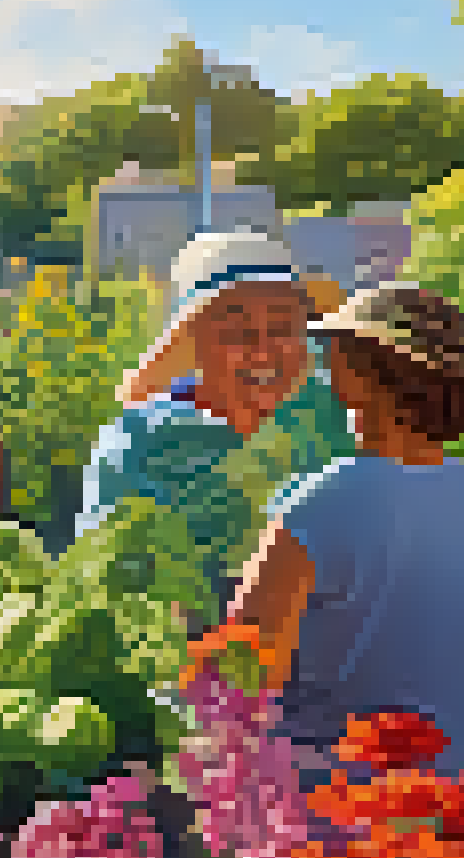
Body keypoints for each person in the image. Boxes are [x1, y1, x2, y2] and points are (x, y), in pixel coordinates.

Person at [230, 283, 464, 782]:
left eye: (335, 352)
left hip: (338, 808)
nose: (324, 365)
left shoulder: (322, 503)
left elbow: (241, 681)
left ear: (364, 376)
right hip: (453, 806)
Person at [83, 232, 358, 618]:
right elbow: (109, 567)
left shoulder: (333, 411)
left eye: (282, 329)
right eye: (238, 334)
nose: (263, 352)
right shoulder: (139, 438)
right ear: (196, 342)